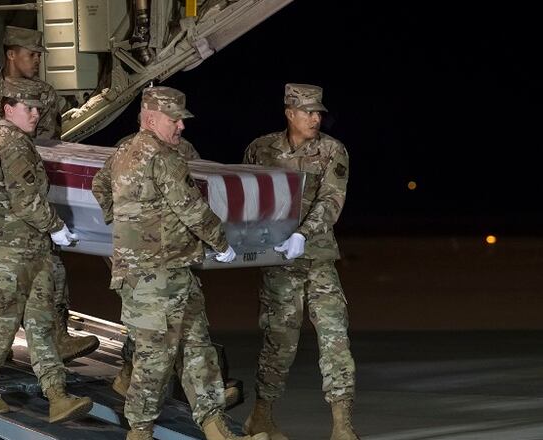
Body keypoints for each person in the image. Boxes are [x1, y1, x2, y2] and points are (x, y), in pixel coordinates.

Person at [92, 86, 266, 440]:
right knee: (155, 358)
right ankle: (139, 432)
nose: (181, 127)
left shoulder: (123, 151)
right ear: (152, 118)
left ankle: (215, 425)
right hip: (156, 277)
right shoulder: (163, 156)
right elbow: (191, 208)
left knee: (197, 347)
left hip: (168, 273)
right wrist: (221, 243)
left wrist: (127, 227)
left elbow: (99, 186)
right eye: (175, 120)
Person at [0, 25, 98, 363]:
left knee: (44, 271)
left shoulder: (46, 95)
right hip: (2, 204)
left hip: (28, 194)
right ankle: (0, 341)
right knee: (13, 279)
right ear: (11, 53)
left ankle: (46, 337)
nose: (37, 60)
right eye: (31, 54)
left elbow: (51, 147)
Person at [0, 89, 93, 420]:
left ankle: (57, 395)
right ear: (8, 108)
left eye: (38, 109)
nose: (35, 114)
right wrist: (56, 227)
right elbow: (26, 202)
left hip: (23, 247)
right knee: (3, 320)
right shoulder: (12, 143)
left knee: (41, 322)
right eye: (28, 108)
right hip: (3, 252)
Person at [242, 83, 358, 440]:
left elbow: (331, 200)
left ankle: (342, 426)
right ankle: (261, 417)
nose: (316, 117)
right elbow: (246, 196)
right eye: (308, 111)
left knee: (335, 339)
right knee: (279, 341)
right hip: (277, 263)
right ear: (289, 113)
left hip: (318, 260)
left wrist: (303, 234)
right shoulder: (261, 149)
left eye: (318, 111)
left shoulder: (332, 150)